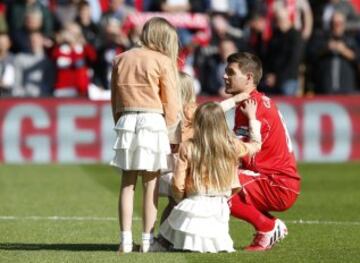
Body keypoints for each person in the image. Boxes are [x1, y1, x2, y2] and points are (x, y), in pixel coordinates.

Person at [110, 17, 180, 253]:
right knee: (151, 185)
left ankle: (125, 240)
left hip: (127, 119)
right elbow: (171, 102)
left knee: (126, 184)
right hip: (153, 120)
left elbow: (114, 100)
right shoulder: (163, 61)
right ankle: (148, 242)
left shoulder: (120, 59)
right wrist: (170, 129)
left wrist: (119, 121)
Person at [158, 101, 262, 253]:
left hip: (192, 204)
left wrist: (180, 200)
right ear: (222, 122)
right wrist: (252, 118)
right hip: (219, 208)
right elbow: (256, 145)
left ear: (198, 123)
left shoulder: (188, 147)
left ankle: (162, 242)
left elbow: (178, 183)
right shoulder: (231, 145)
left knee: (168, 232)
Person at [224, 52, 301, 251]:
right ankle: (267, 228)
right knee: (219, 175)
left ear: (249, 78)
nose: (225, 76)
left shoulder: (253, 107)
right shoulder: (253, 102)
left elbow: (236, 150)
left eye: (231, 72)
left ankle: (267, 227)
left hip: (276, 183)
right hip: (274, 180)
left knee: (217, 180)